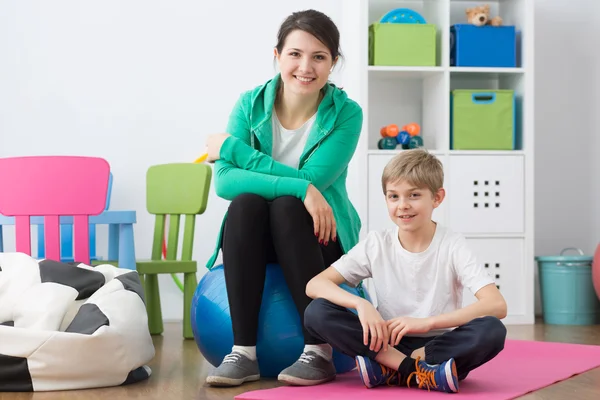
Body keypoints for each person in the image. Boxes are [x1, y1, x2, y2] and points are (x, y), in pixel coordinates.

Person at [202, 9, 363, 388]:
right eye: (295, 54)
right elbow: (224, 183)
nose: (305, 66)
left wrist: (233, 150)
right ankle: (243, 353)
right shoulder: (249, 104)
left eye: (319, 57)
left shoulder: (347, 115)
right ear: (277, 56)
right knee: (245, 204)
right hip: (256, 237)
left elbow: (312, 178)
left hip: (319, 238)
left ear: (333, 64)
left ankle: (318, 351)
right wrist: (302, 188)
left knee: (288, 209)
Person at [303, 149, 508, 393]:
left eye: (414, 195)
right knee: (316, 312)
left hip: (441, 345)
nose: (403, 206)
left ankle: (391, 370)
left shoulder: (452, 244)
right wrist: (362, 305)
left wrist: (426, 323)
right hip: (387, 344)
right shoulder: (377, 243)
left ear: (437, 198)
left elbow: (496, 305)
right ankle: (417, 372)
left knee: (492, 330)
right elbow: (314, 285)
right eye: (394, 196)